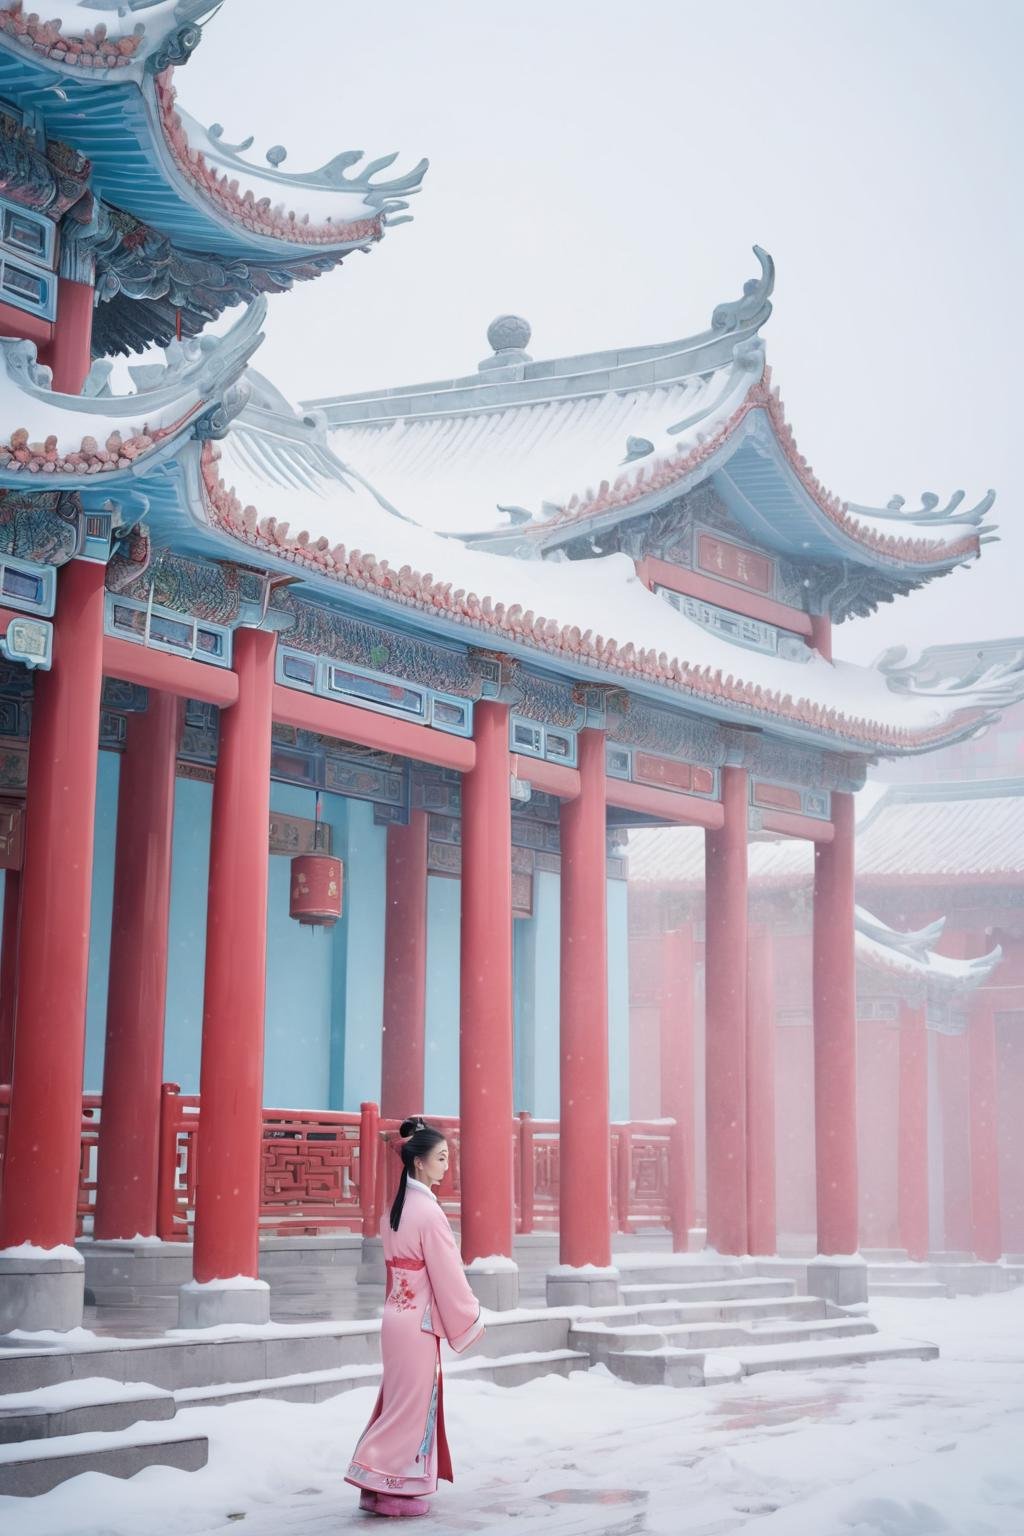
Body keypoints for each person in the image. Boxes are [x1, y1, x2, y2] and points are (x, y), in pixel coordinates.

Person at [346, 1117, 484, 1518]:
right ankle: (382, 1481)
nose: (446, 1167)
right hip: (418, 1322)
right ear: (419, 1163)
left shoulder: (399, 1206)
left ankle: (378, 1487)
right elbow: (448, 1273)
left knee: (399, 1403)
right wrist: (470, 1314)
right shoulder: (428, 1212)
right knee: (409, 1408)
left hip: (396, 1317)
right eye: (441, 1158)